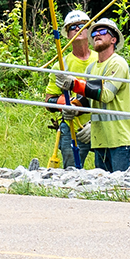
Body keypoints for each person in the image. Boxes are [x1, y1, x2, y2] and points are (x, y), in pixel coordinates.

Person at [55, 18, 130, 172]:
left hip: (120, 138)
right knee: (104, 187)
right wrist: (74, 108)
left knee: (122, 187)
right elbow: (88, 99)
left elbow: (106, 94)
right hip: (101, 139)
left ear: (113, 39)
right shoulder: (92, 68)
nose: (96, 35)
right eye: (94, 32)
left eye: (102, 32)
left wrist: (74, 83)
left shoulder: (118, 63)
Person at [43, 9, 94, 169]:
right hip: (72, 126)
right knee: (71, 174)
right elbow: (49, 101)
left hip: (101, 125)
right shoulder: (61, 65)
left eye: (81, 25)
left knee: (111, 172)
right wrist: (66, 104)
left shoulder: (102, 60)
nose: (77, 29)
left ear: (89, 29)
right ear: (67, 34)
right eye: (73, 27)